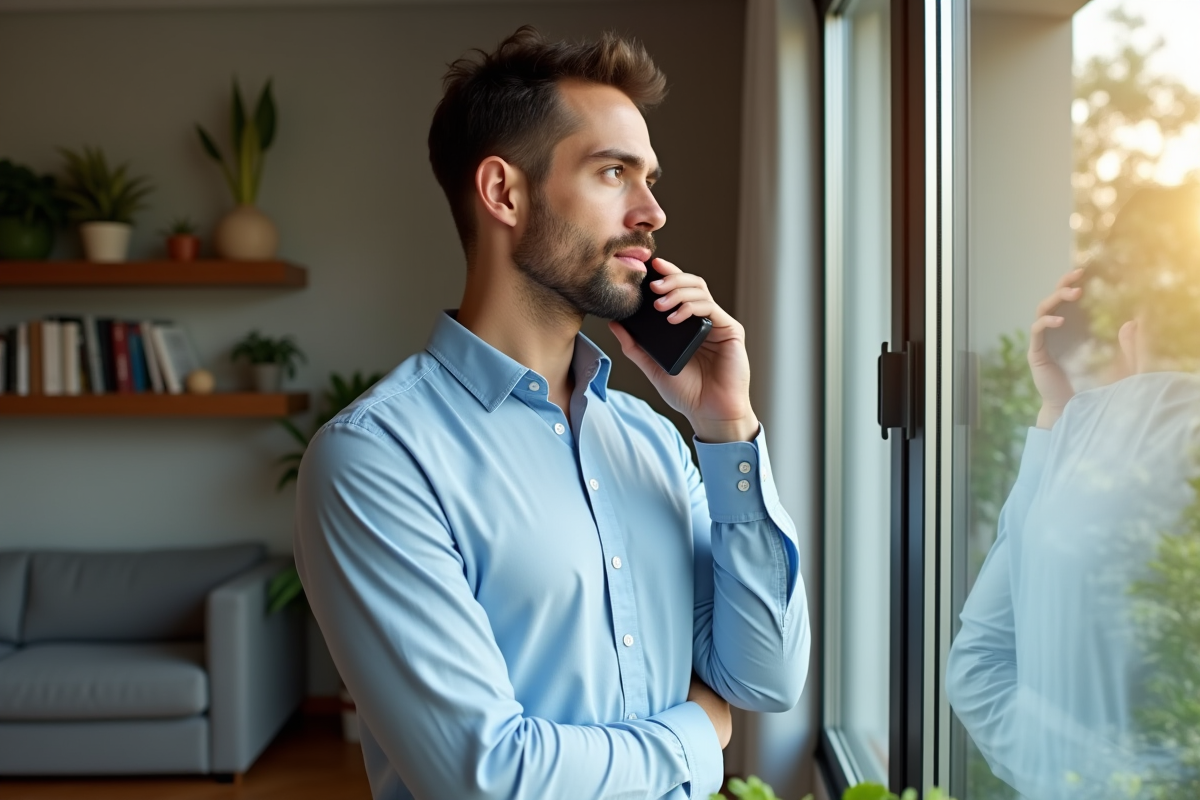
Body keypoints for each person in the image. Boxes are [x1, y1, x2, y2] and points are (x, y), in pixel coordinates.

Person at [294, 26, 810, 800]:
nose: (652, 213)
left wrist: (726, 427)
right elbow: (490, 778)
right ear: (504, 192)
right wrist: (699, 732)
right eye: (614, 173)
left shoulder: (656, 444)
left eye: (651, 179)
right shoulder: (376, 459)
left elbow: (765, 676)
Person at [947, 184, 1200, 799]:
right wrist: (1058, 417)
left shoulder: (1155, 433)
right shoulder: (1114, 443)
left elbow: (976, 675)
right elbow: (975, 673)